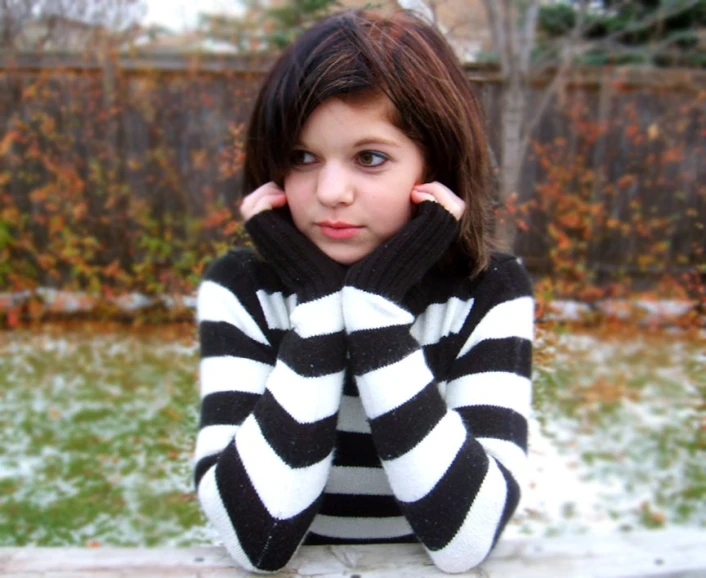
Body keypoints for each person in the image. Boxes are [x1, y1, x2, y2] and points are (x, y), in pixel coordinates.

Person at [193, 9, 533, 574]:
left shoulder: (488, 292)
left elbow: (467, 537)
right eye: (303, 158)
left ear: (438, 167)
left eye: (369, 158)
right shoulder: (243, 289)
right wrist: (322, 309)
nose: (330, 192)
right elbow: (257, 537)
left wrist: (374, 312)